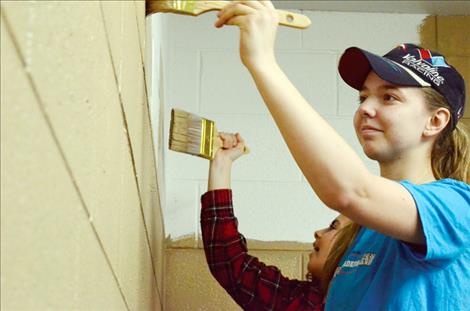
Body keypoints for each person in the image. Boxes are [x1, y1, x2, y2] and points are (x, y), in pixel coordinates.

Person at [207, 1, 470, 310]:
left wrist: (262, 62)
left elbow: (350, 191)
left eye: (389, 97)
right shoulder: (360, 237)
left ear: (435, 121)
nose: (365, 109)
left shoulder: (457, 207)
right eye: (363, 96)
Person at [201, 132, 358, 310]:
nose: (318, 232)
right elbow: (232, 265)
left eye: (332, 227)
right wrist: (222, 162)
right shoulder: (299, 301)